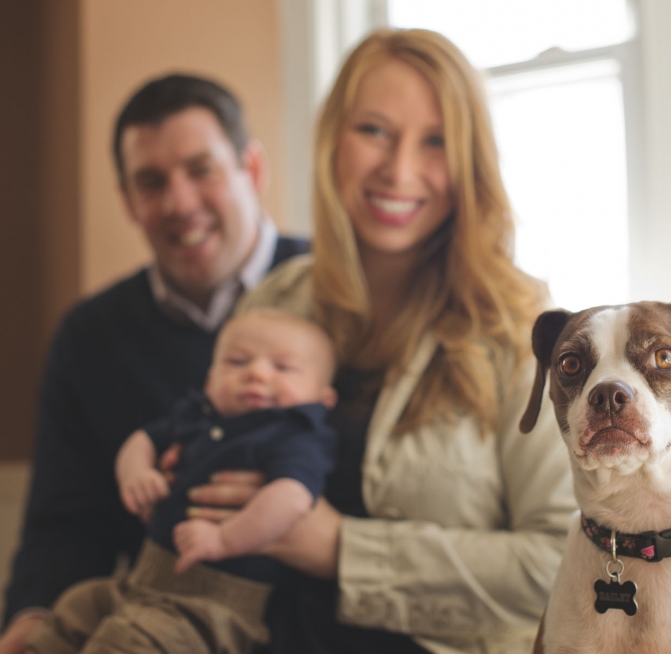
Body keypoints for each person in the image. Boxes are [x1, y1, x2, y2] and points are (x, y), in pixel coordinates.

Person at [222, 28, 577, 653]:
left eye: (436, 142)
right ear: (334, 139)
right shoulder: (275, 300)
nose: (400, 170)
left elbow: (564, 561)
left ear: (471, 162)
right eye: (375, 131)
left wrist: (343, 550)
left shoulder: (523, 328)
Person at [0, 74, 309, 654]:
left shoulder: (332, 292)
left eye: (201, 170)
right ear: (129, 199)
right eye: (152, 182)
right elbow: (66, 521)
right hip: (156, 615)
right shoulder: (91, 335)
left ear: (251, 171)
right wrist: (31, 620)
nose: (180, 204)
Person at [26, 309, 338, 654]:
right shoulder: (198, 416)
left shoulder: (295, 436)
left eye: (283, 367)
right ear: (210, 379)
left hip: (213, 605)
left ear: (323, 400)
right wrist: (138, 473)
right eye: (237, 361)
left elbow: (292, 499)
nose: (256, 373)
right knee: (77, 606)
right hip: (142, 580)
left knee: (130, 641)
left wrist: (224, 538)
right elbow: (142, 439)